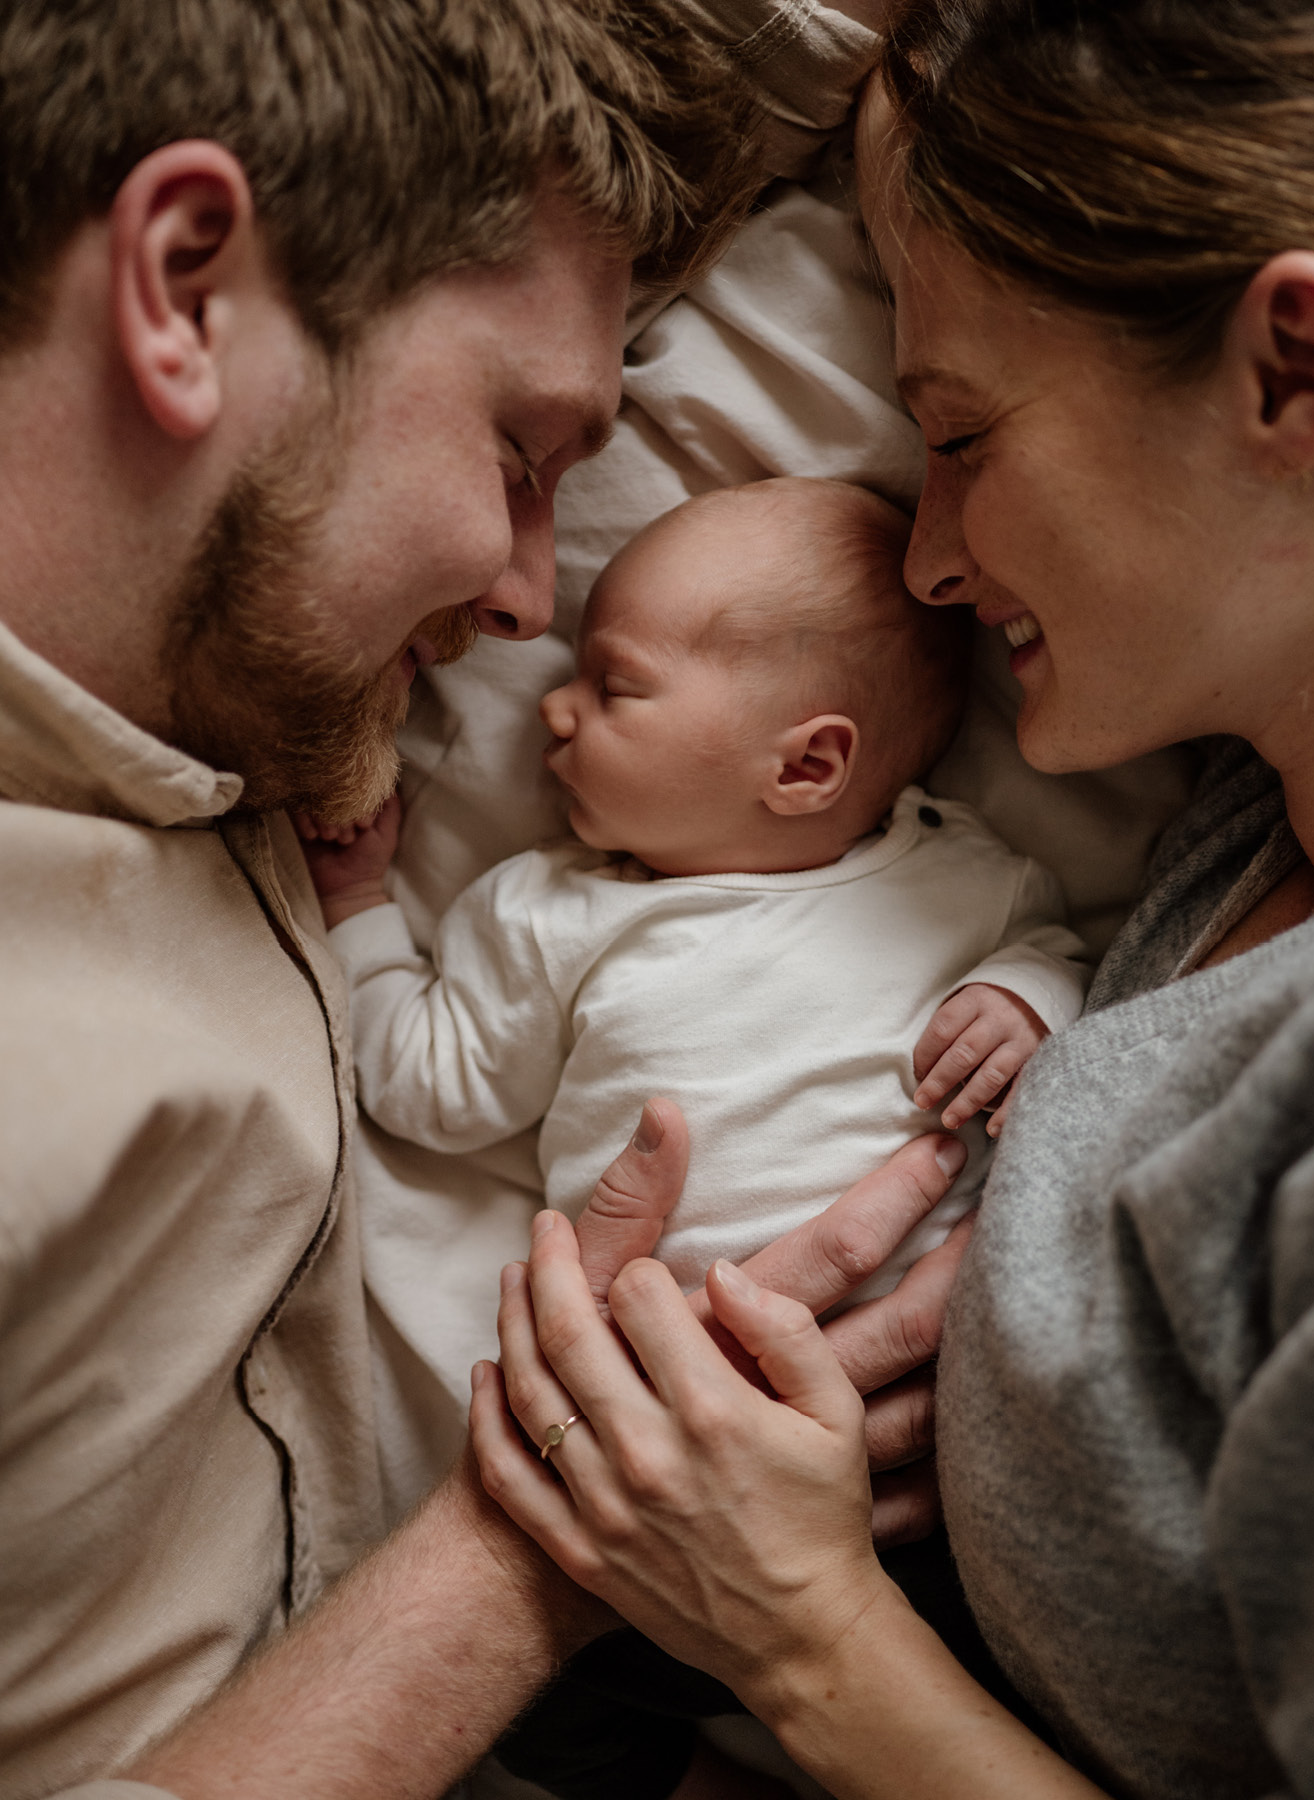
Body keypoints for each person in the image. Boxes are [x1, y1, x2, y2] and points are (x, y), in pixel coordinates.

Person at [468, 1, 1314, 1796]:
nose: (923, 554)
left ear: (1294, 374)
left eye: (964, 435)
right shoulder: (1254, 823)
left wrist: (797, 1628)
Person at [0, 7, 963, 1797]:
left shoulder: (240, 683)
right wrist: (546, 1539)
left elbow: (741, 78)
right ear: (186, 287)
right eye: (522, 457)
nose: (533, 598)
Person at [300, 474, 1087, 1800]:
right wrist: (367, 910)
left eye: (614, 686)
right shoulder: (548, 912)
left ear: (806, 763)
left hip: (928, 1464)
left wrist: (1027, 1003)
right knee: (556, 1702)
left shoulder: (960, 881)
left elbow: (1065, 963)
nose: (554, 704)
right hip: (648, 1462)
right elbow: (430, 1083)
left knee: (1013, 1661)